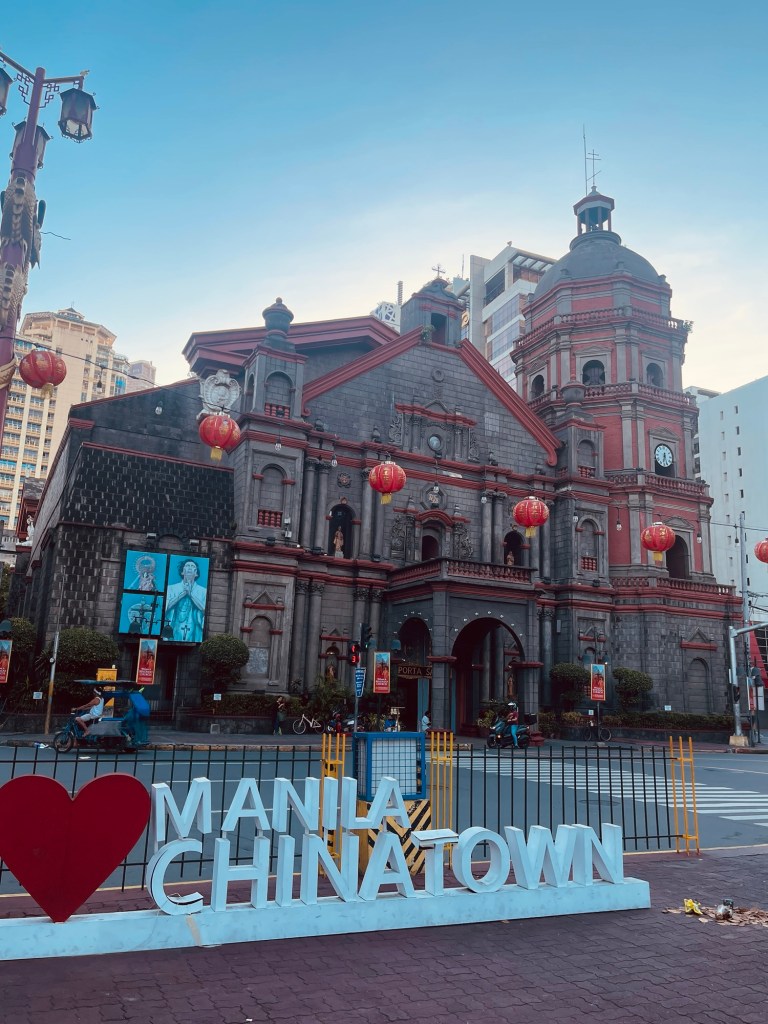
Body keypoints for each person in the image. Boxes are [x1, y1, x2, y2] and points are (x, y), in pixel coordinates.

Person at [165, 559, 207, 642]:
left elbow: (204, 609)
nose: (190, 568)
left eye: (193, 566)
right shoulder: (172, 588)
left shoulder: (203, 591)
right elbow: (166, 607)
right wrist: (183, 593)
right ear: (182, 572)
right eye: (187, 566)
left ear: (196, 573)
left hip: (194, 627)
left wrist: (190, 594)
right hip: (174, 625)